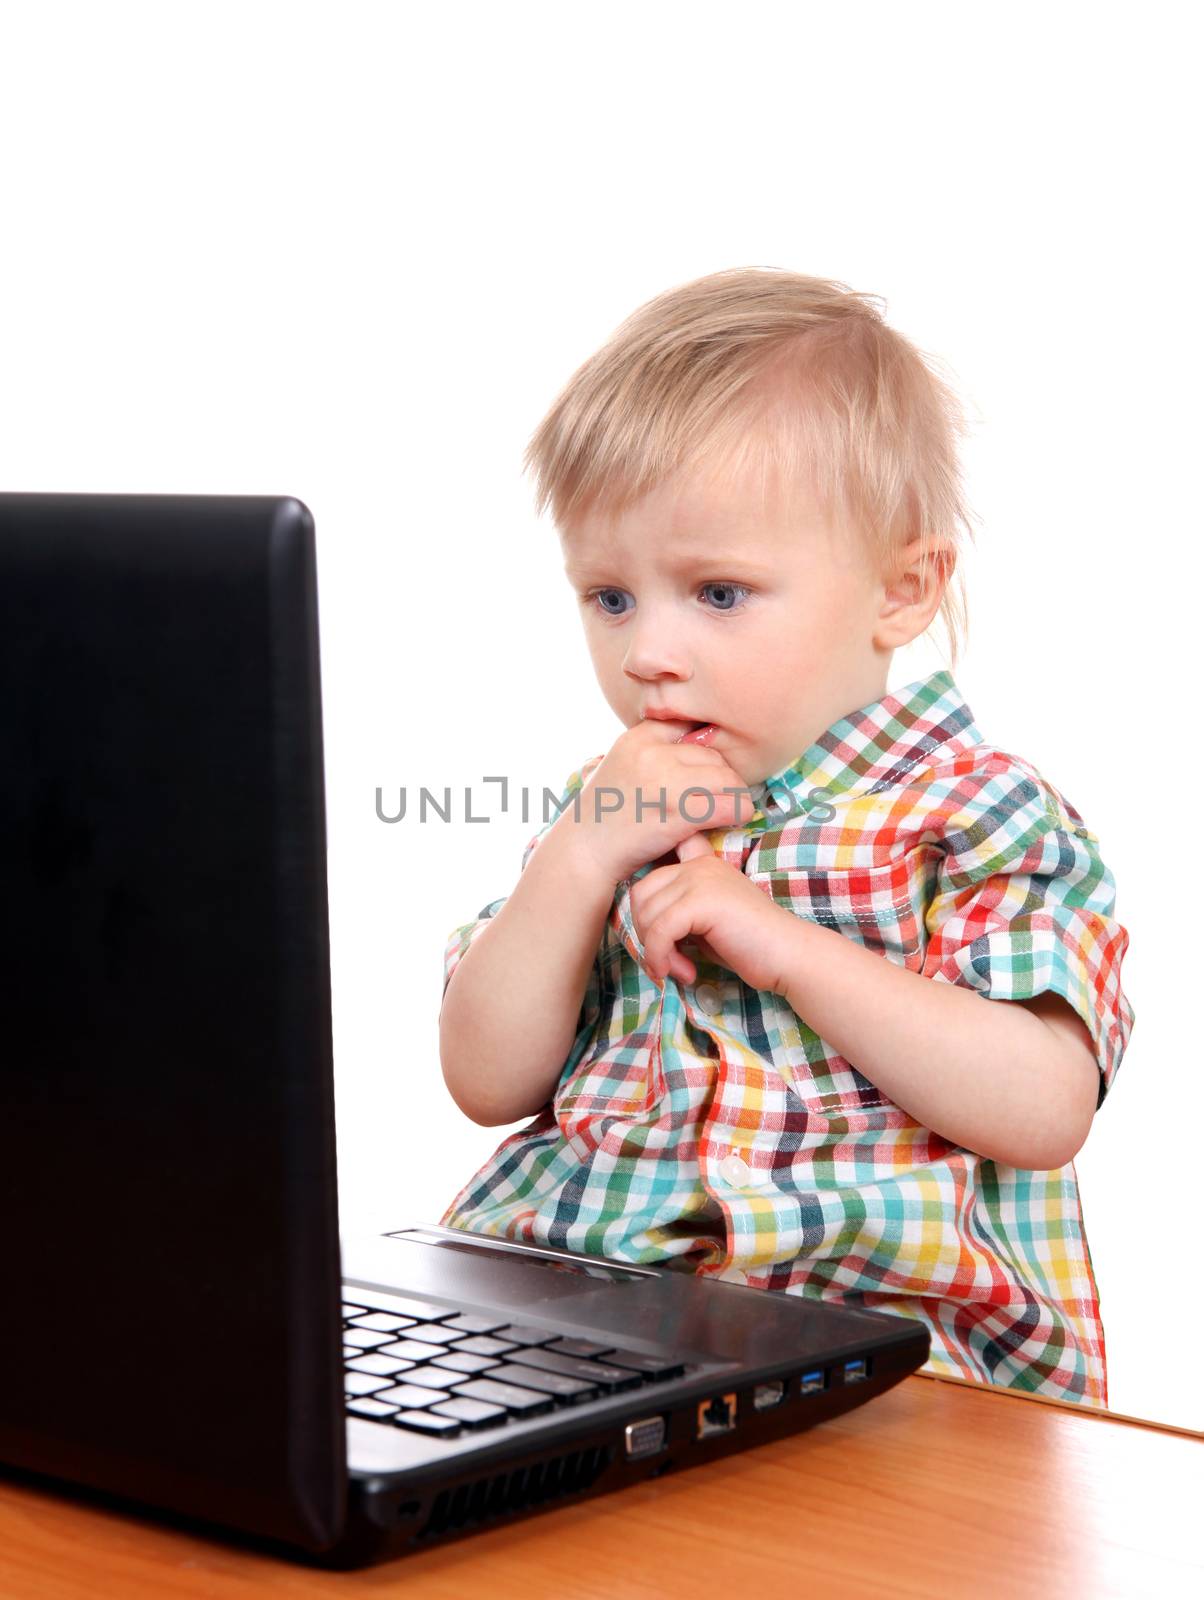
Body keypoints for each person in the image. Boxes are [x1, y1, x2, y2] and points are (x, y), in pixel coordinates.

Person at [437, 267, 1135, 1406]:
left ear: (901, 592)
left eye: (716, 593)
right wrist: (575, 860)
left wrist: (784, 945)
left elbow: (1044, 1104)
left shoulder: (972, 815)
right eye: (609, 597)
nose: (646, 652)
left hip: (881, 1353)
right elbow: (482, 1075)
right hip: (585, 1315)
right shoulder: (612, 809)